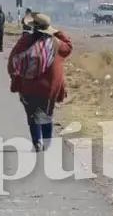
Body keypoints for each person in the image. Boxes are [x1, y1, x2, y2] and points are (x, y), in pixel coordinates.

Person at [8, 13, 73, 152]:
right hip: (49, 89)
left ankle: (37, 141)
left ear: (34, 28)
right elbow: (69, 46)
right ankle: (47, 142)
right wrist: (57, 32)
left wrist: (15, 79)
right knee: (46, 115)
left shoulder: (26, 40)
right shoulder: (57, 43)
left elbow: (12, 60)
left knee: (32, 115)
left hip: (28, 87)